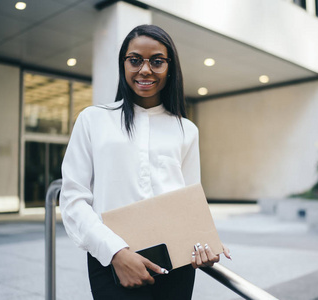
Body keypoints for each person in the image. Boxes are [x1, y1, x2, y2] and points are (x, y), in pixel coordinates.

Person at [60, 24, 231, 300]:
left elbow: (189, 201)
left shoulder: (186, 129)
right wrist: (115, 252)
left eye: (157, 61)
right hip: (114, 261)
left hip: (178, 264)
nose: (145, 70)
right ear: (123, 64)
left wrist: (203, 244)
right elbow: (72, 200)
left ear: (170, 67)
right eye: (135, 60)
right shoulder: (93, 120)